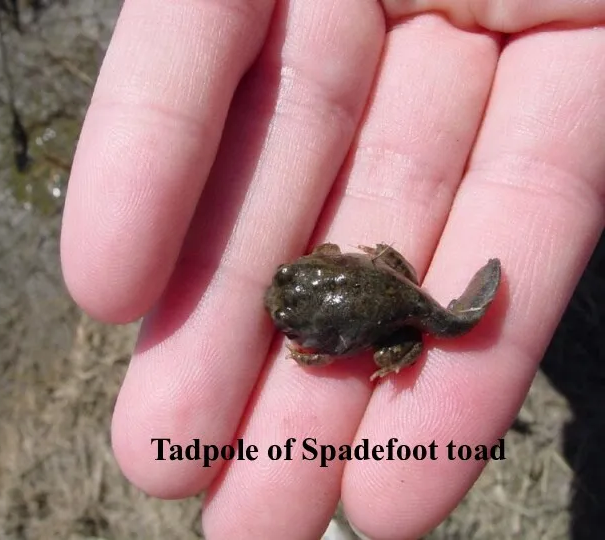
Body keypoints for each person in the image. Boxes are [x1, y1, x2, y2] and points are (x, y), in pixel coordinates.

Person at [60, 2, 605, 538]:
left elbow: (339, 332)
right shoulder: (319, 276)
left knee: (404, 341)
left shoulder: (350, 326)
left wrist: (333, 353)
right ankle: (415, 299)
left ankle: (426, 323)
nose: (281, 299)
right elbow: (328, 272)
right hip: (393, 283)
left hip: (399, 305)